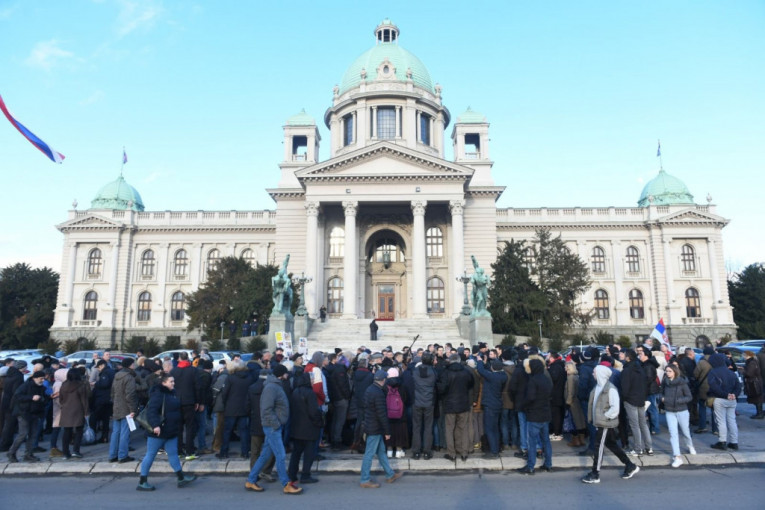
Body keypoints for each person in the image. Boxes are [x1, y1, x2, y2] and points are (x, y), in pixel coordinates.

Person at [245, 364, 301, 494]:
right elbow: (266, 409)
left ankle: (251, 480)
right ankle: (286, 484)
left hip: (274, 426)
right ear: (281, 374)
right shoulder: (271, 387)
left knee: (265, 455)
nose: (288, 375)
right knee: (280, 455)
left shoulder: (275, 385)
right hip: (272, 426)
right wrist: (276, 424)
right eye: (286, 373)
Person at [136, 374, 197, 491]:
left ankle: (181, 478)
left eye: (173, 381)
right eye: (171, 382)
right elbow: (151, 411)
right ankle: (142, 481)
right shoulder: (158, 394)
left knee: (173, 454)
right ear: (163, 383)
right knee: (150, 455)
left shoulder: (171, 394)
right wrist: (155, 426)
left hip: (171, 431)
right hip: (159, 432)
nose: (173, 383)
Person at [581, 366, 639, 484]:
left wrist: (604, 417)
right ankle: (630, 465)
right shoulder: (598, 387)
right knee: (611, 444)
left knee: (599, 447)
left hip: (605, 423)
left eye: (594, 372)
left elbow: (615, 408)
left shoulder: (611, 389)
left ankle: (595, 473)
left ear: (601, 374)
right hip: (600, 422)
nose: (593, 374)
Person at [359, 370, 404, 488]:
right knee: (369, 454)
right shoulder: (378, 393)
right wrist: (387, 431)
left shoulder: (370, 389)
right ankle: (364, 479)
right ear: (383, 380)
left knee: (381, 452)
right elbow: (382, 414)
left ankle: (390, 474)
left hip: (371, 425)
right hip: (375, 427)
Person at [518, 358, 553, 474]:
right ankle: (548, 464)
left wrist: (523, 405)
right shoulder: (546, 379)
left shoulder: (533, 380)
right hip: (545, 413)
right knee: (546, 440)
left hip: (534, 414)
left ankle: (530, 466)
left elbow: (531, 397)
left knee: (531, 442)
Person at [288, 372, 323, 484]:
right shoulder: (310, 393)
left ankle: (292, 474)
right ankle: (305, 475)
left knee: (296, 453)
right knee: (309, 453)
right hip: (309, 428)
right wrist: (319, 422)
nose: (313, 381)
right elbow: (314, 412)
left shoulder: (295, 392)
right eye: (312, 379)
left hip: (296, 427)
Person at [7, 371, 49, 462]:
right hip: (24, 413)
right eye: (40, 378)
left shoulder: (42, 388)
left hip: (35, 413)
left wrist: (45, 398)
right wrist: (31, 397)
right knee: (23, 434)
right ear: (34, 378)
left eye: (43, 378)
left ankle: (28, 454)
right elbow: (17, 396)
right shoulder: (26, 386)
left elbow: (44, 398)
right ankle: (11, 453)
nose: (42, 380)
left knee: (33, 434)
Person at [661, 364, 696, 468]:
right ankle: (677, 456)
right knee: (673, 433)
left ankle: (690, 445)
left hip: (682, 410)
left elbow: (689, 397)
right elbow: (661, 393)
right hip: (669, 410)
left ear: (675, 372)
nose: (667, 373)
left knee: (685, 431)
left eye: (669, 371)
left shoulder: (682, 383)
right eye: (666, 371)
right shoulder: (665, 382)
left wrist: (678, 401)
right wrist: (662, 398)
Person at [707, 353, 742, 450]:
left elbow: (714, 387)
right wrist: (734, 394)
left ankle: (722, 441)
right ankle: (734, 442)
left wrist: (725, 395)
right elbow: (738, 386)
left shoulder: (713, 372)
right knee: (732, 420)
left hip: (720, 398)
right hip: (732, 399)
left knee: (721, 421)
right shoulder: (731, 372)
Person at [219, 360, 252, 459]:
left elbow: (224, 393)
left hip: (231, 407)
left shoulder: (230, 378)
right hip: (244, 408)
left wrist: (225, 403)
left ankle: (224, 452)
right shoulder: (249, 378)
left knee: (227, 431)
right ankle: (245, 452)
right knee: (244, 431)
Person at [621, 349, 652, 456]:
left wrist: (624, 398)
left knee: (635, 425)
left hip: (630, 400)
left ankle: (638, 449)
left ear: (628, 357)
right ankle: (649, 448)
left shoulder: (627, 370)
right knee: (643, 424)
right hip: (640, 399)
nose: (623, 356)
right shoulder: (640, 368)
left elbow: (625, 387)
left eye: (624, 354)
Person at [475, 357, 507, 459]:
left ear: (493, 368)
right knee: (495, 428)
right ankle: (496, 449)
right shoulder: (503, 376)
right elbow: (488, 371)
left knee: (489, 429)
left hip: (490, 405)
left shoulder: (492, 377)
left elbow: (480, 371)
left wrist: (480, 361)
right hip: (497, 404)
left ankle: (493, 451)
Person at [108, 357, 138, 463]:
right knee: (125, 433)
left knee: (116, 432)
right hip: (126, 408)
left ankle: (112, 455)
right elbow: (130, 395)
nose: (134, 365)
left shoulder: (117, 376)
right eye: (133, 364)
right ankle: (122, 455)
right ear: (130, 365)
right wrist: (133, 409)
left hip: (116, 406)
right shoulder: (129, 377)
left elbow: (112, 392)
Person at [59, 366, 90, 459]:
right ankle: (76, 451)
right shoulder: (81, 385)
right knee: (79, 431)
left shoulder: (63, 385)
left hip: (66, 410)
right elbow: (84, 400)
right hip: (78, 410)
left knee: (66, 432)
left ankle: (65, 452)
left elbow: (61, 399)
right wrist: (86, 411)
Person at [411, 352, 437, 460]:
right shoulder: (433, 372)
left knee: (416, 427)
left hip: (417, 401)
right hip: (429, 402)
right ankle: (427, 451)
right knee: (428, 427)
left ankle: (416, 452)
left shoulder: (416, 371)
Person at [564, 361, 587, 447]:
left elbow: (571, 391)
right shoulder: (577, 376)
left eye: (566, 367)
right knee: (580, 422)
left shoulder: (570, 378)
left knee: (573, 422)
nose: (565, 369)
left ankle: (575, 440)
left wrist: (568, 402)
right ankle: (581, 439)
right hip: (577, 401)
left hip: (572, 403)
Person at [743, 350, 763, 418]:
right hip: (754, 382)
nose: (744, 356)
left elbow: (749, 373)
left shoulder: (752, 363)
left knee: (757, 398)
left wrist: (742, 371)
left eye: (745, 355)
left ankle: (760, 413)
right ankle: (759, 413)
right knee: (757, 398)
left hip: (754, 382)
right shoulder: (753, 361)